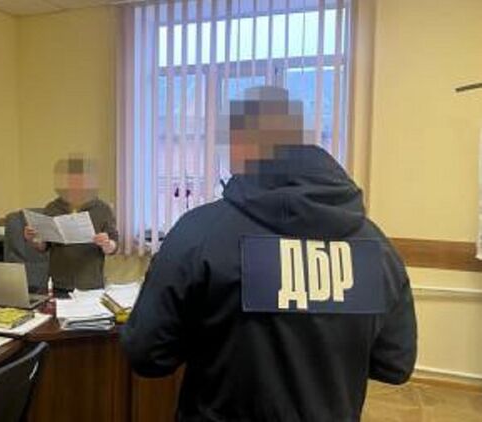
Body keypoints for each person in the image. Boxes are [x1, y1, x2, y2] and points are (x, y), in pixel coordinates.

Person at [120, 86, 417, 421]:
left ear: (241, 142)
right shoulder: (376, 247)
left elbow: (148, 354)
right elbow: (393, 364)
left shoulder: (200, 232)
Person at [24, 156, 118, 294]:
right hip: (60, 283)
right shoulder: (53, 208)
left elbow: (114, 246)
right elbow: (43, 246)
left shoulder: (102, 209)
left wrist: (107, 243)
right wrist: (33, 239)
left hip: (90, 284)